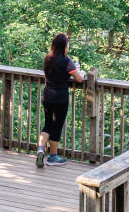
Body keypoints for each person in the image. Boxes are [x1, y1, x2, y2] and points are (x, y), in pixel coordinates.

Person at [35, 33, 86, 168]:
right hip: (60, 97)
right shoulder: (67, 61)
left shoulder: (47, 59)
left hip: (47, 95)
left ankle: (41, 148)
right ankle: (52, 157)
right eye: (68, 44)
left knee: (47, 124)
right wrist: (81, 73)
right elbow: (79, 79)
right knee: (57, 126)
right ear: (64, 46)